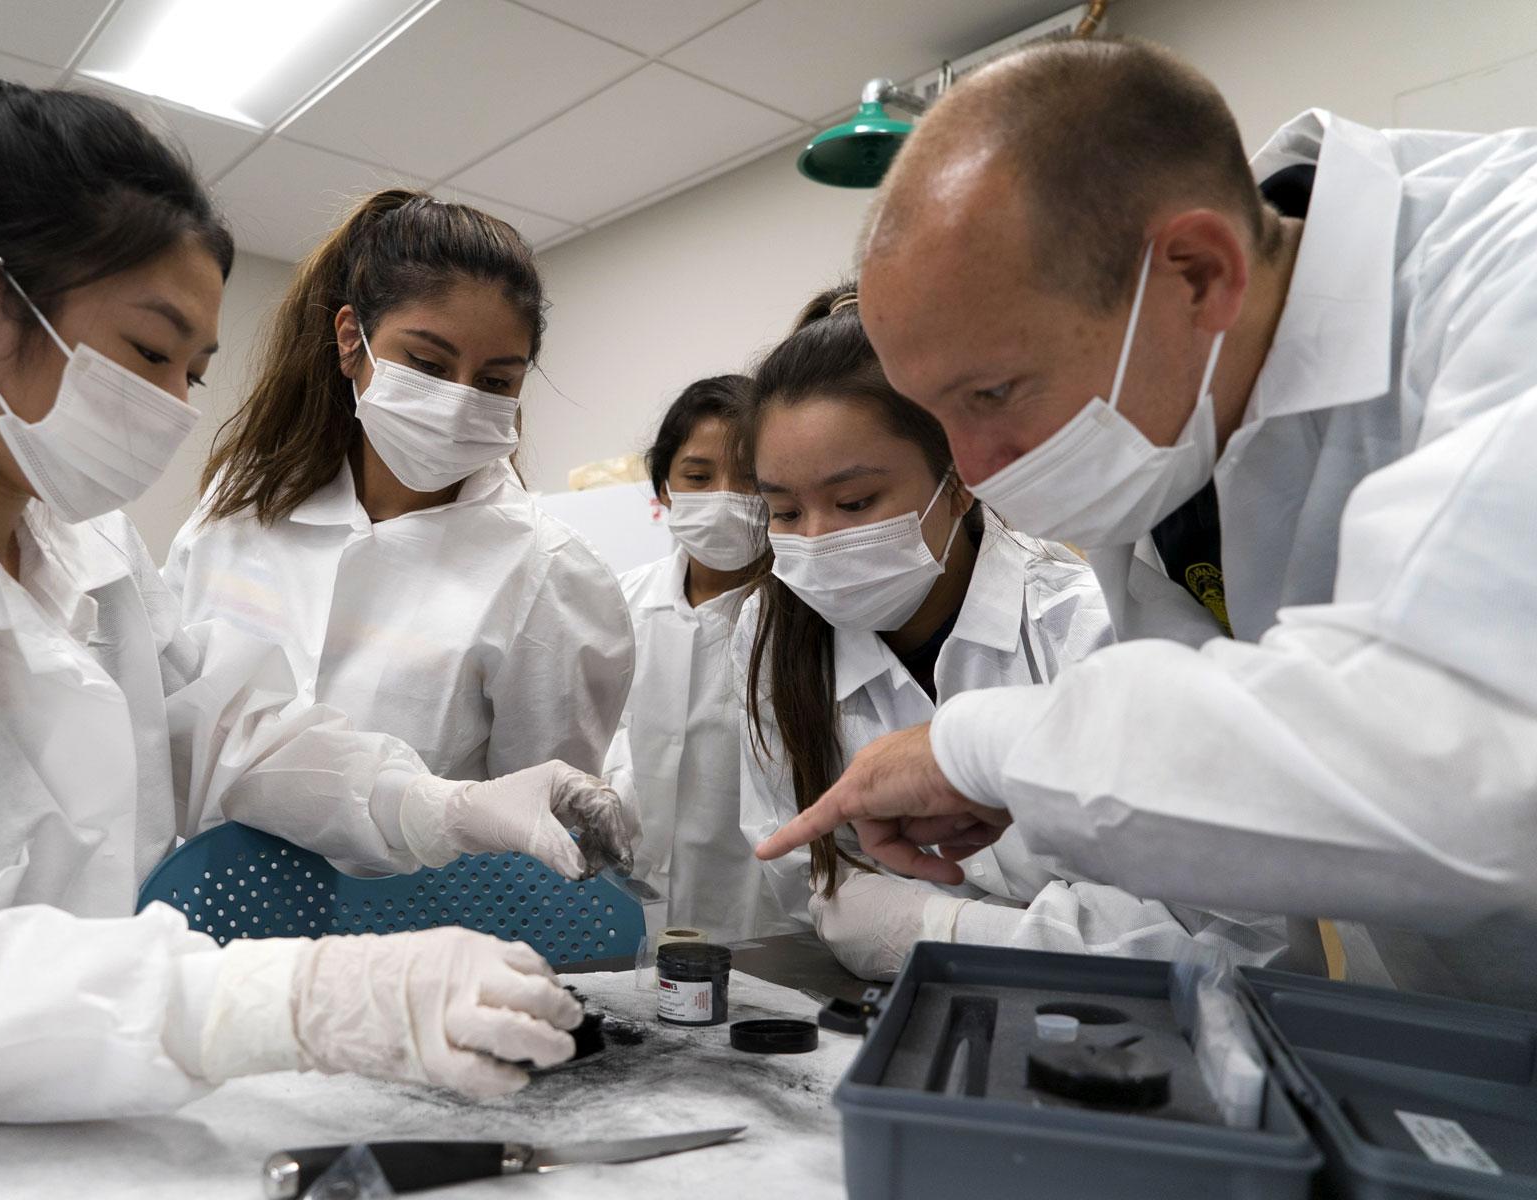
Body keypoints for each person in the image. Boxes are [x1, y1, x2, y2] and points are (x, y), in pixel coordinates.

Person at [0, 51, 632, 1144]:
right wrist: (278, 1003)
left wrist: (437, 805)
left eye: (192, 374)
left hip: (76, 1126)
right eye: (149, 352)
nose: (170, 409)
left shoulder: (86, 547)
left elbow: (224, 729)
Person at [757, 38, 1537, 1008]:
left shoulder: (1509, 278)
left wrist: (979, 750)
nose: (972, 471)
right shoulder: (1175, 420)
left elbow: (1465, 762)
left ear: (1199, 275)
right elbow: (1256, 829)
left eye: (994, 391)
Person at [737, 286, 1303, 979]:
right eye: (785, 512)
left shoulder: (1091, 622)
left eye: (855, 502)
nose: (816, 542)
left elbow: (1236, 931)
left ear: (961, 476)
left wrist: (943, 929)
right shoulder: (774, 630)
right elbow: (805, 865)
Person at [165, 190, 633, 784]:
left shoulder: (552, 575)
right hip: (202, 873)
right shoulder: (241, 506)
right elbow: (168, 706)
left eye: (494, 380)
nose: (460, 401)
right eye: (428, 366)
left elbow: (528, 840)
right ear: (350, 340)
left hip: (419, 881)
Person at [601, 375, 796, 938]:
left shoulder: (806, 620)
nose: (723, 497)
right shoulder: (617, 602)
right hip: (628, 899)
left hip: (767, 915)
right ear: (664, 487)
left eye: (749, 480)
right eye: (698, 476)